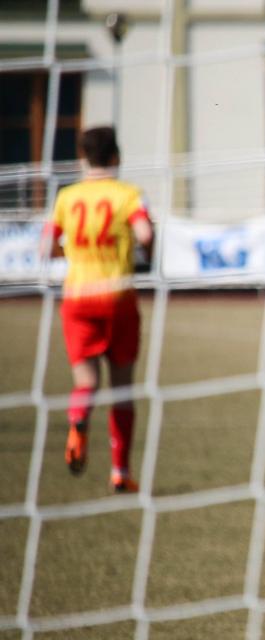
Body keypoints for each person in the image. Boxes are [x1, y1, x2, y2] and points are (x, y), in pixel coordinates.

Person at [41, 126, 154, 493]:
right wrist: (146, 255)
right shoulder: (127, 194)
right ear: (116, 157)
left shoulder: (67, 197)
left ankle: (78, 419)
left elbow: (45, 247)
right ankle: (120, 471)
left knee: (86, 382)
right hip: (117, 297)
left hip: (77, 298)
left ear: (82, 158)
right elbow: (145, 234)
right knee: (122, 388)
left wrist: (72, 253)